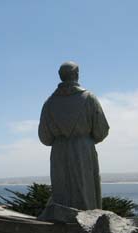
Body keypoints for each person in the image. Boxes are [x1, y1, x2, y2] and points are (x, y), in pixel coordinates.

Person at [38, 61, 109, 213]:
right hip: (84, 150)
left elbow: (44, 138)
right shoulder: (89, 98)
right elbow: (101, 131)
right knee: (86, 195)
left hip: (59, 152)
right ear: (76, 75)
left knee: (61, 193)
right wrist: (86, 139)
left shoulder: (49, 103)